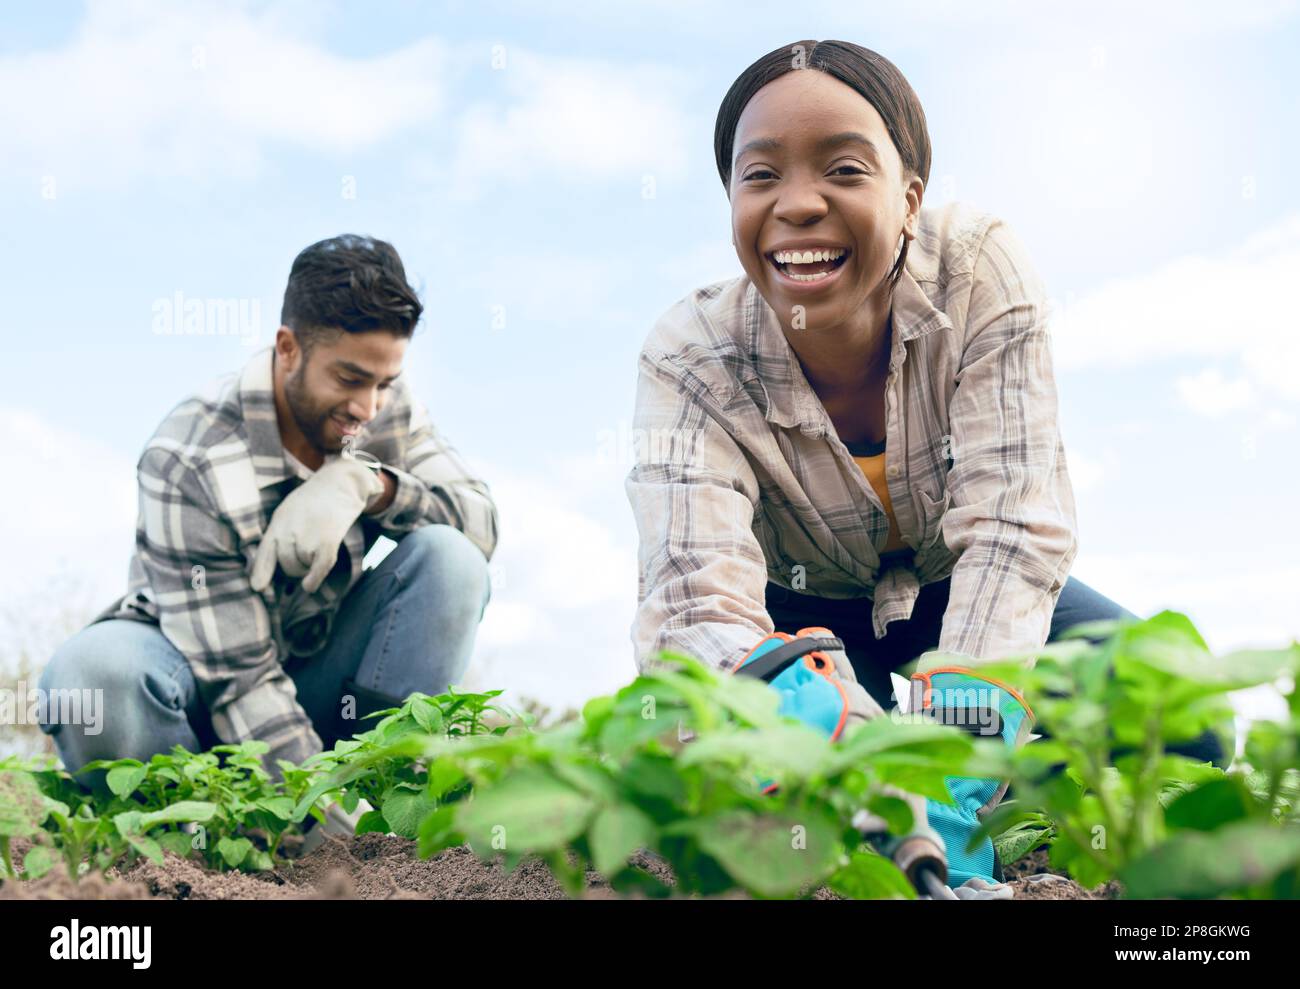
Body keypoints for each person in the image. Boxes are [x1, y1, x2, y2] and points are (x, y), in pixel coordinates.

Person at [624, 40, 1228, 892]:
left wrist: (952, 764)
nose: (797, 204)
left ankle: (1030, 832)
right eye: (760, 176)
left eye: (843, 168)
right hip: (802, 615)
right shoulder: (690, 356)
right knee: (779, 812)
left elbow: (1015, 530)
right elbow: (693, 594)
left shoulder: (976, 271)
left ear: (909, 198)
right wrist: (813, 722)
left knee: (1182, 721)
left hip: (961, 582)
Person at [40, 235, 498, 800]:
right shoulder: (189, 457)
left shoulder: (383, 409)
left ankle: (380, 806)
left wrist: (368, 485)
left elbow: (480, 525)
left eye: (386, 383)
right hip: (194, 695)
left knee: (451, 559)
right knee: (93, 677)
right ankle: (185, 845)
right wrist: (316, 820)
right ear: (287, 349)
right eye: (350, 379)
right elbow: (240, 678)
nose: (368, 408)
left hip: (316, 687)